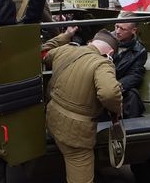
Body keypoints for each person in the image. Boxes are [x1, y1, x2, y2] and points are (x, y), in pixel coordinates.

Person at [42, 28, 122, 183]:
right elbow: (109, 94)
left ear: (91, 42)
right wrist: (117, 111)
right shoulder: (103, 64)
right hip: (75, 134)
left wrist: (65, 36)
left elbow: (44, 52)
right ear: (111, 53)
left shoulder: (66, 49)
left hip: (53, 118)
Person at [112, 12, 147, 118]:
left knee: (132, 96)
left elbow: (135, 75)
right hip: (99, 80)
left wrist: (115, 87)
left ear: (133, 30)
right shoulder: (106, 39)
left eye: (122, 29)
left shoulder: (140, 51)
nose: (117, 31)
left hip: (119, 85)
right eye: (116, 26)